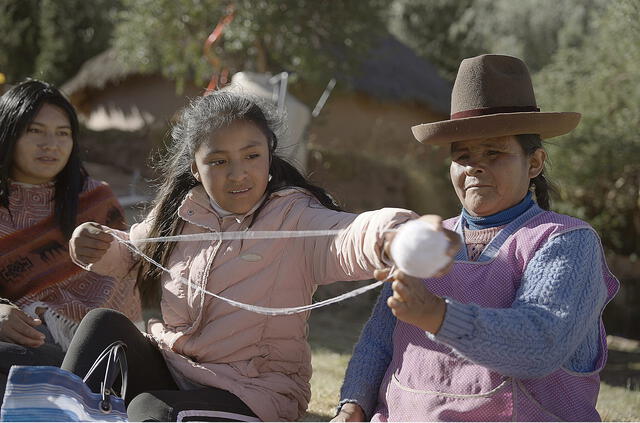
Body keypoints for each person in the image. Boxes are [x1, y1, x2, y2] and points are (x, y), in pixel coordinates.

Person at [62, 90, 448, 422]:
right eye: (218, 161)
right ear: (195, 168)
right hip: (175, 369)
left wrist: (399, 236)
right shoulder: (182, 215)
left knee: (152, 408)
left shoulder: (296, 219)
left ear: (269, 156)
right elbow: (131, 250)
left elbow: (349, 235)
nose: (237, 174)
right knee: (102, 326)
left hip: (254, 394)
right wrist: (97, 246)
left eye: (251, 156)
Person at [333, 54, 619, 422]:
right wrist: (353, 404)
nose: (474, 166)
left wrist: (437, 315)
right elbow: (380, 339)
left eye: (494, 152)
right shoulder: (426, 239)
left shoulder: (566, 242)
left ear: (534, 163)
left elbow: (540, 344)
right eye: (462, 155)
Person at [0, 80, 141, 401]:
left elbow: (129, 279)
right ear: (8, 132)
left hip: (99, 350)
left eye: (63, 133)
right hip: (24, 338)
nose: (51, 144)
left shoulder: (95, 199)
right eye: (35, 131)